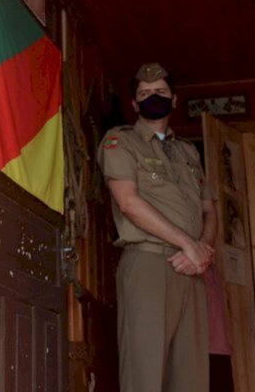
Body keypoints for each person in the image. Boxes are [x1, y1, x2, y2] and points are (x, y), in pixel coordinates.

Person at [98, 63, 218, 392]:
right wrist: (188, 245)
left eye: (161, 92)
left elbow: (209, 210)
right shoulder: (120, 142)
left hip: (191, 268)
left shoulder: (187, 151)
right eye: (145, 94)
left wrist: (202, 251)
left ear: (175, 99)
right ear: (134, 104)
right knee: (145, 372)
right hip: (149, 263)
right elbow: (129, 203)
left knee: (191, 374)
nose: (154, 97)